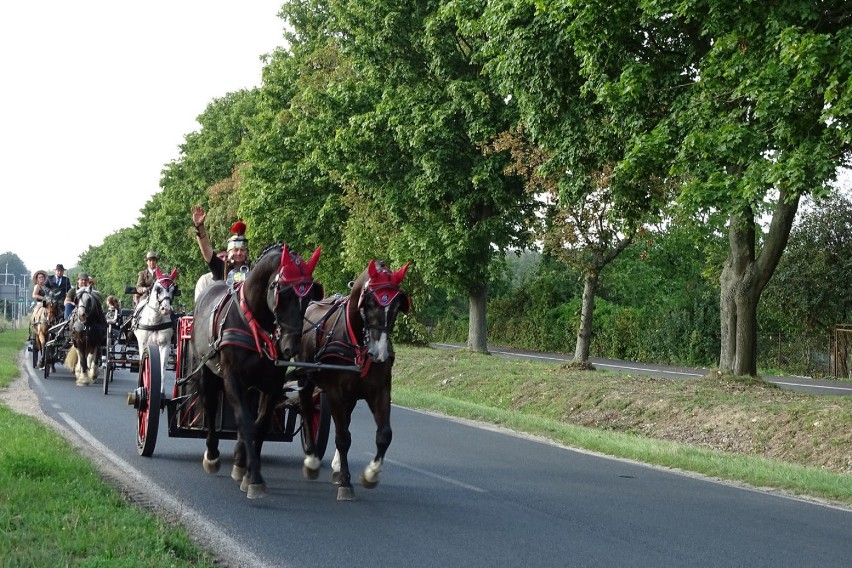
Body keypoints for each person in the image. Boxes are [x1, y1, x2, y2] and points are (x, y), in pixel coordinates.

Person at [192, 205, 251, 286]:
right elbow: (206, 250)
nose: (239, 253)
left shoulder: (254, 269)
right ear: (230, 251)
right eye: (236, 250)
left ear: (247, 252)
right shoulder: (221, 268)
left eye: (242, 250)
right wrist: (199, 226)